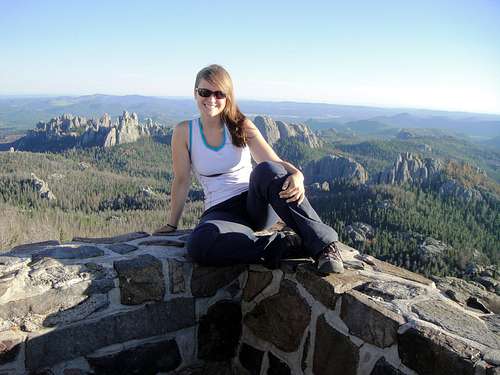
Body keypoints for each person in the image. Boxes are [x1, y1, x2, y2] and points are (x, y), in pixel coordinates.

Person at [155, 64, 343, 274]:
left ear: (228, 97)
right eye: (205, 92)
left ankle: (326, 247)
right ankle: (286, 245)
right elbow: (181, 180)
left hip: (255, 204)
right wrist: (172, 224)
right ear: (195, 93)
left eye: (219, 94)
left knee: (265, 170)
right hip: (222, 213)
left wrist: (297, 174)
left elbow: (274, 164)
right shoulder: (184, 132)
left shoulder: (240, 125)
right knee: (200, 245)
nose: (211, 100)